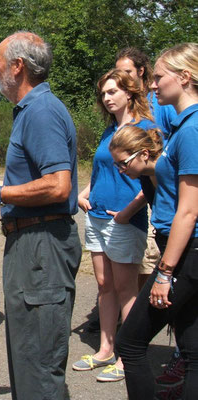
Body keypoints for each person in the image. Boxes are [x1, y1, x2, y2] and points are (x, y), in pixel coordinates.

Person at [0, 31, 82, 399]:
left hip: (42, 248)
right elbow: (41, 179)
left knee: (39, 365)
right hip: (32, 243)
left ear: (18, 66)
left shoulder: (40, 110)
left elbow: (58, 185)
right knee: (27, 357)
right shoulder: (31, 110)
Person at [116, 42, 198, 400]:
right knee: (194, 351)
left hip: (185, 252)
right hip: (183, 250)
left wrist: (165, 272)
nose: (153, 84)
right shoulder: (183, 128)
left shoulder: (193, 130)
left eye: (160, 77)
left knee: (130, 343)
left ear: (185, 77)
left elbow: (190, 210)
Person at [73, 69, 155, 382]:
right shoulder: (110, 131)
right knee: (105, 286)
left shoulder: (145, 128)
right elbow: (102, 170)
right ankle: (105, 349)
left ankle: (127, 354)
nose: (107, 98)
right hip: (96, 217)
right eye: (104, 94)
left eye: (113, 92)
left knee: (126, 289)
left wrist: (127, 211)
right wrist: (85, 193)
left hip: (125, 220)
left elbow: (151, 178)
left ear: (130, 92)